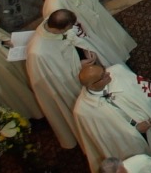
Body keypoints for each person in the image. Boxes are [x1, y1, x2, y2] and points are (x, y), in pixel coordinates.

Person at [74, 61, 151, 168]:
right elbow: (106, 136)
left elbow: (142, 92)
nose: (108, 73)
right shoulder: (83, 111)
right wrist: (135, 130)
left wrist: (148, 113)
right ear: (92, 85)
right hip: (131, 141)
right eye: (103, 76)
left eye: (104, 70)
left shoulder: (118, 71)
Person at [28, 9, 110, 150]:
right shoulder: (38, 53)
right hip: (68, 85)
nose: (71, 29)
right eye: (69, 27)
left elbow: (69, 38)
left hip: (80, 65)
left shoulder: (51, 23)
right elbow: (59, 77)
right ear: (62, 27)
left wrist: (85, 49)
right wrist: (80, 64)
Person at [46, 0, 137, 65]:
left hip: (94, 17)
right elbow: (66, 32)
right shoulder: (55, 8)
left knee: (110, 36)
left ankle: (121, 52)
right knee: (103, 47)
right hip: (86, 28)